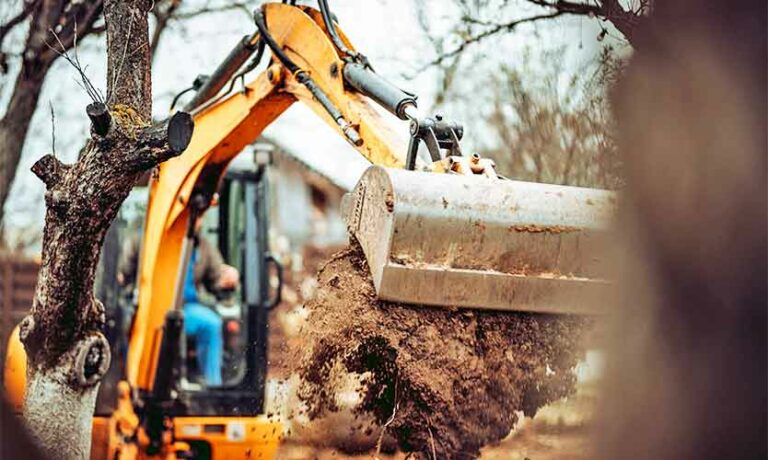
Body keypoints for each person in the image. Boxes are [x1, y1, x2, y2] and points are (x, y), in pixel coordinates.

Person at [118, 221, 239, 386]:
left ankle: (212, 385)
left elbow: (215, 277)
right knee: (129, 325)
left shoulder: (202, 246)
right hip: (149, 306)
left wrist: (227, 280)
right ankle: (132, 383)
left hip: (186, 307)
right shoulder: (141, 240)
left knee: (211, 324)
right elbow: (124, 274)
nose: (199, 221)